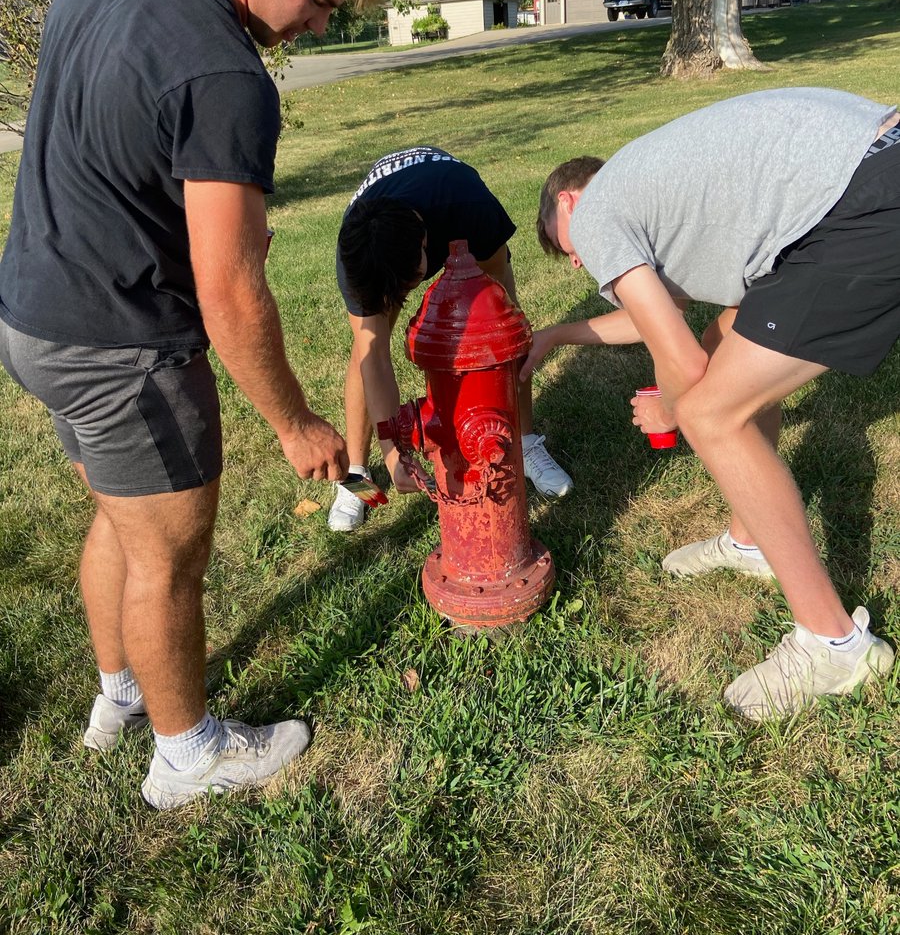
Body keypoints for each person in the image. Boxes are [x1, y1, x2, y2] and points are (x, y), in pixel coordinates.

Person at [0, 0, 388, 807]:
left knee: (121, 519)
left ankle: (121, 694)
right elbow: (231, 290)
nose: (319, 25)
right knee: (171, 555)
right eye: (320, 1)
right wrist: (296, 422)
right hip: (123, 344)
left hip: (32, 319)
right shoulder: (227, 72)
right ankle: (187, 752)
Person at [527, 87, 898, 721]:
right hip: (868, 166)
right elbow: (676, 322)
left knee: (710, 412)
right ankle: (751, 539)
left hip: (861, 205)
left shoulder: (599, 211)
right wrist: (560, 335)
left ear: (569, 202)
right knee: (731, 354)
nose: (584, 264)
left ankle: (833, 644)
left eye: (570, 251)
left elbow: (682, 364)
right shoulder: (669, 193)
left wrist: (674, 408)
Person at [328, 146, 574, 531]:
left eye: (408, 288)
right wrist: (393, 451)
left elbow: (503, 315)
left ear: (428, 243)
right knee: (367, 346)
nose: (405, 301)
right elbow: (374, 358)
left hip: (449, 196)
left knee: (506, 333)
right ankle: (356, 477)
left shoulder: (469, 207)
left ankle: (526, 443)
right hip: (383, 230)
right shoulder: (357, 250)